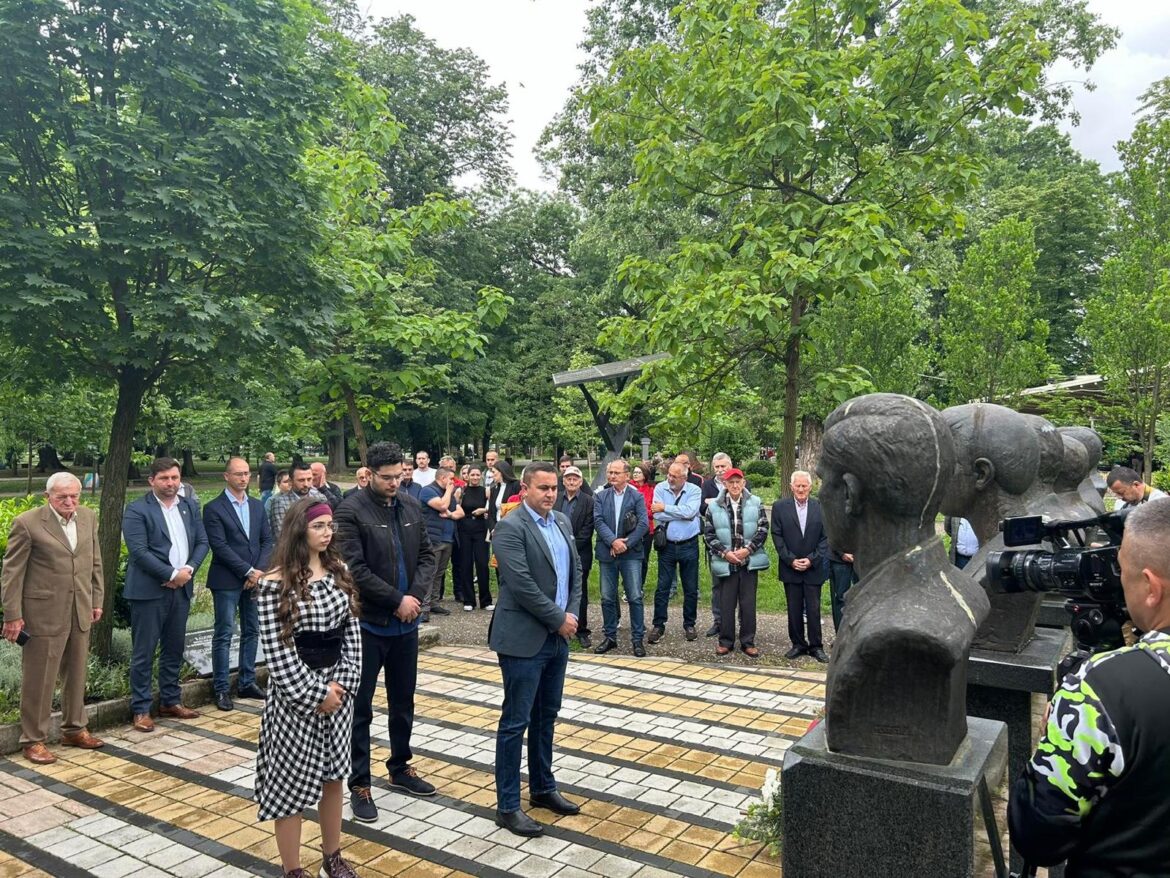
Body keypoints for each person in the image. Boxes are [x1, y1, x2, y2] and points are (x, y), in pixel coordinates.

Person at [1008, 497, 1170, 876]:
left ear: (1150, 587)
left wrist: (1058, 736)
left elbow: (1038, 834)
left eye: (1121, 571)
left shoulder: (1100, 690)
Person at [253, 499, 363, 878]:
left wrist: (343, 685)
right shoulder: (273, 585)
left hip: (339, 692)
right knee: (291, 786)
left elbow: (352, 633)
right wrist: (318, 695)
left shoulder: (339, 571)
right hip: (295, 699)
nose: (327, 532)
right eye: (318, 526)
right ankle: (293, 869)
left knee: (334, 776)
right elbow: (278, 654)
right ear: (299, 529)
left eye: (330, 525)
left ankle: (332, 855)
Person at [334, 442, 438, 823]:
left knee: (403, 701)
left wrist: (414, 597)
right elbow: (354, 570)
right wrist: (396, 599)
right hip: (368, 625)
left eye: (400, 476)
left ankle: (400, 766)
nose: (395, 483)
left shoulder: (411, 506)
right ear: (370, 473)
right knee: (360, 708)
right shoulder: (349, 511)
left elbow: (427, 555)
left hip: (405, 626)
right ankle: (359, 783)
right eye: (387, 477)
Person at [490, 462, 583, 838]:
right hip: (523, 639)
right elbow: (522, 584)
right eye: (542, 488)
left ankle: (543, 788)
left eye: (553, 488)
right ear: (525, 488)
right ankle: (508, 806)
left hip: (557, 638)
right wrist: (558, 618)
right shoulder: (510, 528)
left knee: (547, 716)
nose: (550, 494)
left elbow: (575, 573)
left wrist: (572, 613)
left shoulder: (561, 521)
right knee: (516, 722)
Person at [1, 473, 105, 763]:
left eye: (74, 496)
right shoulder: (27, 523)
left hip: (80, 608)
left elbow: (94, 561)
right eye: (62, 497)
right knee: (40, 678)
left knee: (76, 672)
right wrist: (13, 616)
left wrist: (96, 598)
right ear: (48, 497)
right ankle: (33, 739)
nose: (69, 502)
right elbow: (12, 574)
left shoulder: (88, 517)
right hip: (43, 613)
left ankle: (74, 728)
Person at [122, 457, 209, 732]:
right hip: (149, 592)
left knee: (174, 648)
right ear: (151, 481)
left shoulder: (189, 506)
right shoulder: (136, 510)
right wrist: (171, 574)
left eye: (174, 478)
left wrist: (188, 570)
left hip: (182, 588)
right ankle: (141, 709)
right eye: (164, 478)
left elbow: (202, 542)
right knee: (144, 652)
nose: (171, 483)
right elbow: (139, 552)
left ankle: (170, 700)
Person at [203, 457, 274, 711]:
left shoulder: (257, 506)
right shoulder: (213, 508)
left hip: (254, 579)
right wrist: (247, 571)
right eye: (238, 474)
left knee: (252, 630)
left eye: (246, 474)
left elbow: (267, 540)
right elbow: (219, 546)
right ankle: (221, 688)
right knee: (224, 632)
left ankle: (247, 681)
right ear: (226, 476)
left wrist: (258, 572)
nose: (243, 478)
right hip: (226, 580)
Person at [702, 469, 768, 657]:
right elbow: (709, 534)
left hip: (748, 561)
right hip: (726, 561)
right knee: (726, 604)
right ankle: (726, 641)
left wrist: (748, 550)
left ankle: (748, 641)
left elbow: (763, 528)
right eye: (731, 482)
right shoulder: (714, 506)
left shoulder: (756, 502)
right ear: (725, 484)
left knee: (748, 604)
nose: (735, 485)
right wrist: (725, 553)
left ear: (744, 483)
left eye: (738, 481)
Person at [592, 459, 650, 656]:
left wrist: (625, 544)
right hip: (607, 553)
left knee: (634, 597)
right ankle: (610, 637)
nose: (612, 476)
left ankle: (637, 639)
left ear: (626, 475)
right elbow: (598, 521)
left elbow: (643, 524)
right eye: (610, 472)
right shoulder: (601, 496)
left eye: (616, 473)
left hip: (631, 554)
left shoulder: (636, 497)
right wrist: (613, 542)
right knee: (607, 597)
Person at [771, 470, 829, 662]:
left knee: (813, 609)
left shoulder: (821, 507)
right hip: (790, 566)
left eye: (805, 486)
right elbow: (777, 536)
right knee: (793, 608)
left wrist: (812, 559)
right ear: (791, 487)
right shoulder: (780, 507)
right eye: (798, 486)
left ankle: (816, 646)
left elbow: (826, 537)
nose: (801, 489)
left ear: (811, 488)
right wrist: (790, 559)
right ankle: (798, 644)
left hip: (814, 567)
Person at [648, 460, 703, 644]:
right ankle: (658, 624)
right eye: (669, 474)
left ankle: (689, 624)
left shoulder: (694, 490)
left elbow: (691, 512)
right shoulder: (660, 488)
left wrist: (666, 508)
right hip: (668, 546)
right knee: (662, 587)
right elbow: (657, 514)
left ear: (684, 478)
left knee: (690, 587)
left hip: (689, 544)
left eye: (674, 476)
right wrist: (672, 511)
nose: (669, 478)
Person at [554, 465, 594, 649]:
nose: (571, 481)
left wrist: (568, 547)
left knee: (579, 593)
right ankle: (558, 624)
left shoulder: (588, 501)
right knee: (557, 589)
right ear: (563, 481)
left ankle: (581, 630)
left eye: (575, 479)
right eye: (568, 478)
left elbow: (587, 531)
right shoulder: (555, 499)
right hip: (555, 553)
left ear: (580, 481)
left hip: (580, 553)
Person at [419, 467, 464, 621]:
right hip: (433, 538)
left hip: (448, 539)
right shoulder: (427, 491)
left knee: (440, 572)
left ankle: (434, 602)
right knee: (430, 572)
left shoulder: (448, 494)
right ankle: (423, 607)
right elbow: (442, 506)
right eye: (451, 479)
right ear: (443, 478)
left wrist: (450, 515)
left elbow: (460, 512)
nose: (453, 482)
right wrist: (449, 493)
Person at [702, 452, 734, 637]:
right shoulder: (707, 485)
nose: (720, 470)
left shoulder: (740, 481)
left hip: (738, 543)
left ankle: (737, 621)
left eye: (723, 466)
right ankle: (718, 621)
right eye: (717, 467)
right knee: (717, 585)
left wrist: (712, 503)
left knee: (739, 586)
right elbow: (701, 507)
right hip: (716, 543)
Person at [457, 466, 492, 611]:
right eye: (473, 475)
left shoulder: (486, 491)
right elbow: (456, 508)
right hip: (465, 529)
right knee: (466, 564)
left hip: (480, 529)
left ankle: (485, 600)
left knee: (482, 564)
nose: (475, 477)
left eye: (478, 475)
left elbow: (492, 508)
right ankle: (469, 600)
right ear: (467, 476)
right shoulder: (461, 491)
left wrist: (483, 510)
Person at [269, 462, 324, 539]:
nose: (306, 484)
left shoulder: (319, 497)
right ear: (290, 481)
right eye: (301, 480)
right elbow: (281, 536)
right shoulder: (280, 502)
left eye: (309, 479)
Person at [630, 462, 656, 588]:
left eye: (638, 472)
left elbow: (653, 510)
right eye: (634, 472)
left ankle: (640, 585)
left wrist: (641, 512)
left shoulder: (651, 489)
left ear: (645, 475)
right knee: (630, 559)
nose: (635, 474)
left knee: (643, 559)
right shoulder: (628, 487)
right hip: (630, 529)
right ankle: (628, 586)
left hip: (647, 530)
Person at [827, 545, 857, 632]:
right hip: (839, 559)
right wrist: (841, 553)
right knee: (840, 599)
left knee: (864, 597)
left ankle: (860, 637)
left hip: (862, 559)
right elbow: (830, 533)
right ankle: (840, 636)